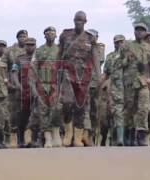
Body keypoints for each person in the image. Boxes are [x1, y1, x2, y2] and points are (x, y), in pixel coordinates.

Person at [58, 11, 99, 147]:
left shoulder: (90, 38)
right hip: (68, 74)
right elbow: (59, 54)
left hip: (84, 76)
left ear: (85, 22)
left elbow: (95, 57)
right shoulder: (65, 35)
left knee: (81, 106)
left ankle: (77, 136)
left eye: (81, 20)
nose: (78, 23)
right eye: (76, 20)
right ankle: (68, 132)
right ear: (73, 20)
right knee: (67, 102)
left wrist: (98, 75)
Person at [27, 27, 63, 148]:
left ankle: (56, 135)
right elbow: (32, 69)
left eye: (53, 34)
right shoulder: (39, 51)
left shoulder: (60, 50)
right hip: (42, 85)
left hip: (56, 84)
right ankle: (48, 138)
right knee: (43, 112)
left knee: (56, 109)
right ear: (45, 36)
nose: (51, 36)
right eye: (48, 34)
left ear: (56, 36)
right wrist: (33, 87)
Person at [121, 23, 150, 146]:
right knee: (129, 109)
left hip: (144, 82)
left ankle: (142, 135)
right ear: (134, 32)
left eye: (142, 30)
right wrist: (127, 60)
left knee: (144, 107)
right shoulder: (127, 46)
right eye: (137, 30)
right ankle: (129, 133)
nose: (139, 32)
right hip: (130, 81)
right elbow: (120, 63)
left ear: (146, 33)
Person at [11, 37, 37, 148]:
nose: (30, 47)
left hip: (36, 91)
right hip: (23, 92)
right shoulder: (19, 59)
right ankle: (20, 140)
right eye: (28, 45)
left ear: (35, 46)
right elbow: (14, 72)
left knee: (36, 115)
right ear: (25, 46)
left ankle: (34, 139)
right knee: (22, 116)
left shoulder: (38, 58)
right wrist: (17, 84)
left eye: (32, 45)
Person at [102, 34, 125, 146]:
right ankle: (118, 138)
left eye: (121, 42)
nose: (119, 44)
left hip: (129, 88)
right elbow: (106, 73)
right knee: (116, 113)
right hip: (115, 89)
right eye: (117, 42)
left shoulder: (130, 55)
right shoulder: (110, 57)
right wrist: (101, 84)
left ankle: (130, 137)